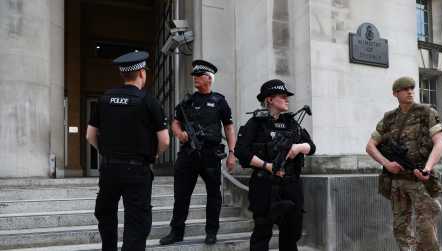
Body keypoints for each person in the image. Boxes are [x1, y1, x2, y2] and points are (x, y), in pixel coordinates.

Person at [86, 51, 170, 251]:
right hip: (137, 170)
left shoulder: (105, 99)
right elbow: (165, 140)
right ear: (142, 73)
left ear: (123, 74)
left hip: (109, 168)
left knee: (106, 214)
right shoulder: (149, 101)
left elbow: (90, 135)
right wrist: (155, 154)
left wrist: (105, 152)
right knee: (137, 221)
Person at [159, 59, 236, 245]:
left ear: (209, 78)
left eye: (198, 76)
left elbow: (229, 128)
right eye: (193, 76)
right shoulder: (187, 101)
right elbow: (175, 122)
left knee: (214, 196)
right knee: (181, 195)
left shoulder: (219, 101)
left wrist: (232, 153)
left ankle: (211, 232)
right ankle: (176, 232)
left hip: (210, 155)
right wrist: (179, 133)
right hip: (188, 155)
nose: (194, 78)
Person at [234, 79, 316, 251]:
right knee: (262, 232)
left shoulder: (291, 122)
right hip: (265, 184)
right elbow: (241, 152)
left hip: (290, 184)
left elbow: (311, 147)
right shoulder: (256, 123)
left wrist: (298, 147)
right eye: (283, 96)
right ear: (269, 99)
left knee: (291, 233)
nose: (287, 99)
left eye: (287, 96)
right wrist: (267, 165)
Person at [365, 76, 442, 251]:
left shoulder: (427, 112)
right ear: (395, 93)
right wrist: (387, 164)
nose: (410, 91)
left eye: (412, 88)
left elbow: (439, 143)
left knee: (426, 226)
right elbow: (370, 146)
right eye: (405, 89)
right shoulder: (389, 118)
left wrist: (427, 168)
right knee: (401, 228)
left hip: (420, 179)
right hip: (397, 181)